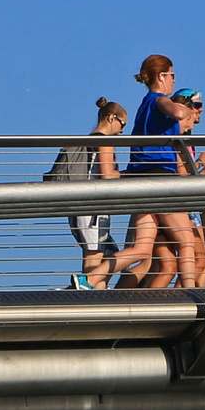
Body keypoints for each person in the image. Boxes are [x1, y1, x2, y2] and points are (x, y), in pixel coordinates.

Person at [119, 55, 202, 291]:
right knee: (186, 240)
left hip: (142, 179)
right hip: (159, 178)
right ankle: (191, 292)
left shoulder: (144, 104)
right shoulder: (158, 100)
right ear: (161, 76)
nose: (174, 81)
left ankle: (92, 280)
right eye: (173, 75)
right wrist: (184, 108)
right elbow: (174, 111)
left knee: (142, 250)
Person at [144, 87, 205, 288]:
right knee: (176, 261)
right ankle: (183, 298)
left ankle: (189, 299)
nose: (199, 111)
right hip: (171, 200)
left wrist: (202, 171)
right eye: (196, 106)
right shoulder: (175, 138)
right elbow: (179, 172)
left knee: (183, 262)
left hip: (180, 201)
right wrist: (198, 165)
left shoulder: (186, 139)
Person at [59, 97, 126, 290]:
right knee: (94, 257)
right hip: (93, 211)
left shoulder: (88, 140)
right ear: (112, 118)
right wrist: (129, 175)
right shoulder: (105, 141)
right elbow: (107, 174)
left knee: (107, 254)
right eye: (122, 124)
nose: (122, 131)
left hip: (80, 208)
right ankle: (86, 298)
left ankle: (94, 293)